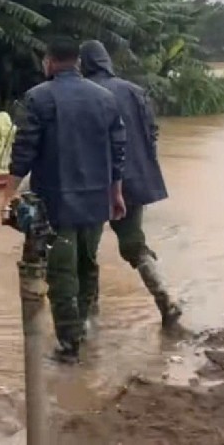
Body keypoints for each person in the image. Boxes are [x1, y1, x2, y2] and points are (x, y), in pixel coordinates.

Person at [0, 38, 127, 364]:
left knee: (61, 273)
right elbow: (118, 152)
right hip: (96, 201)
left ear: (50, 62)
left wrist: (8, 193)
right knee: (87, 263)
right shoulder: (105, 98)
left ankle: (69, 345)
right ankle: (83, 330)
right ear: (79, 63)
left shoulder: (38, 98)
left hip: (56, 202)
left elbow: (24, 151)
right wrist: (116, 194)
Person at [79, 40, 182, 326]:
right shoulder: (135, 91)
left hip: (94, 183)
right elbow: (152, 134)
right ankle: (165, 297)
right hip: (133, 181)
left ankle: (87, 322)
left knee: (85, 250)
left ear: (84, 63)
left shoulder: (84, 94)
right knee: (133, 242)